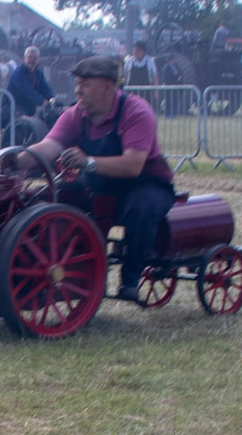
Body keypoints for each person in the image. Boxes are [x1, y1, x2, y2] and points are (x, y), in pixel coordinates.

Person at [23, 55, 175, 301]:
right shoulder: (75, 115)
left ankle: (130, 280)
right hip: (100, 185)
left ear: (107, 86)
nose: (77, 90)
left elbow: (133, 165)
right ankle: (72, 272)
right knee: (51, 196)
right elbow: (48, 146)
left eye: (84, 84)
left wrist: (88, 162)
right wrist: (19, 159)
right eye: (77, 84)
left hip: (146, 184)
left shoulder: (136, 111)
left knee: (141, 209)